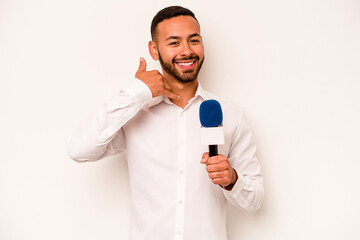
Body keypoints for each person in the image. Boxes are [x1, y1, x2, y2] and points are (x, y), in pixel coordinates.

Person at [68, 6, 264, 240]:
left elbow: (255, 200)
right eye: (174, 43)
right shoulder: (134, 114)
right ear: (154, 50)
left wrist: (232, 180)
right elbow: (79, 150)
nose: (187, 51)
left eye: (194, 40)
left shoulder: (229, 114)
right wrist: (136, 92)